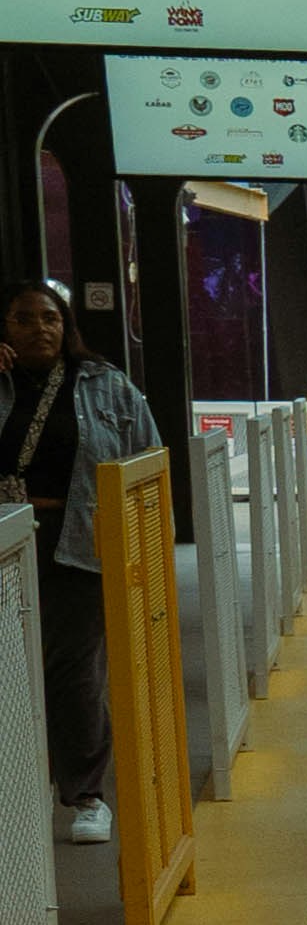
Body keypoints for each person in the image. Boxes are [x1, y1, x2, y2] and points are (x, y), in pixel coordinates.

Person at [4, 284, 162, 843]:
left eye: (49, 318)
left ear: (66, 325)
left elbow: (147, 459)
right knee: (10, 672)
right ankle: (20, 789)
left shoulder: (104, 384)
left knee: (74, 674)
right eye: (23, 319)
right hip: (4, 545)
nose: (38, 328)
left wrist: (142, 551)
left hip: (73, 544)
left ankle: (85, 796)